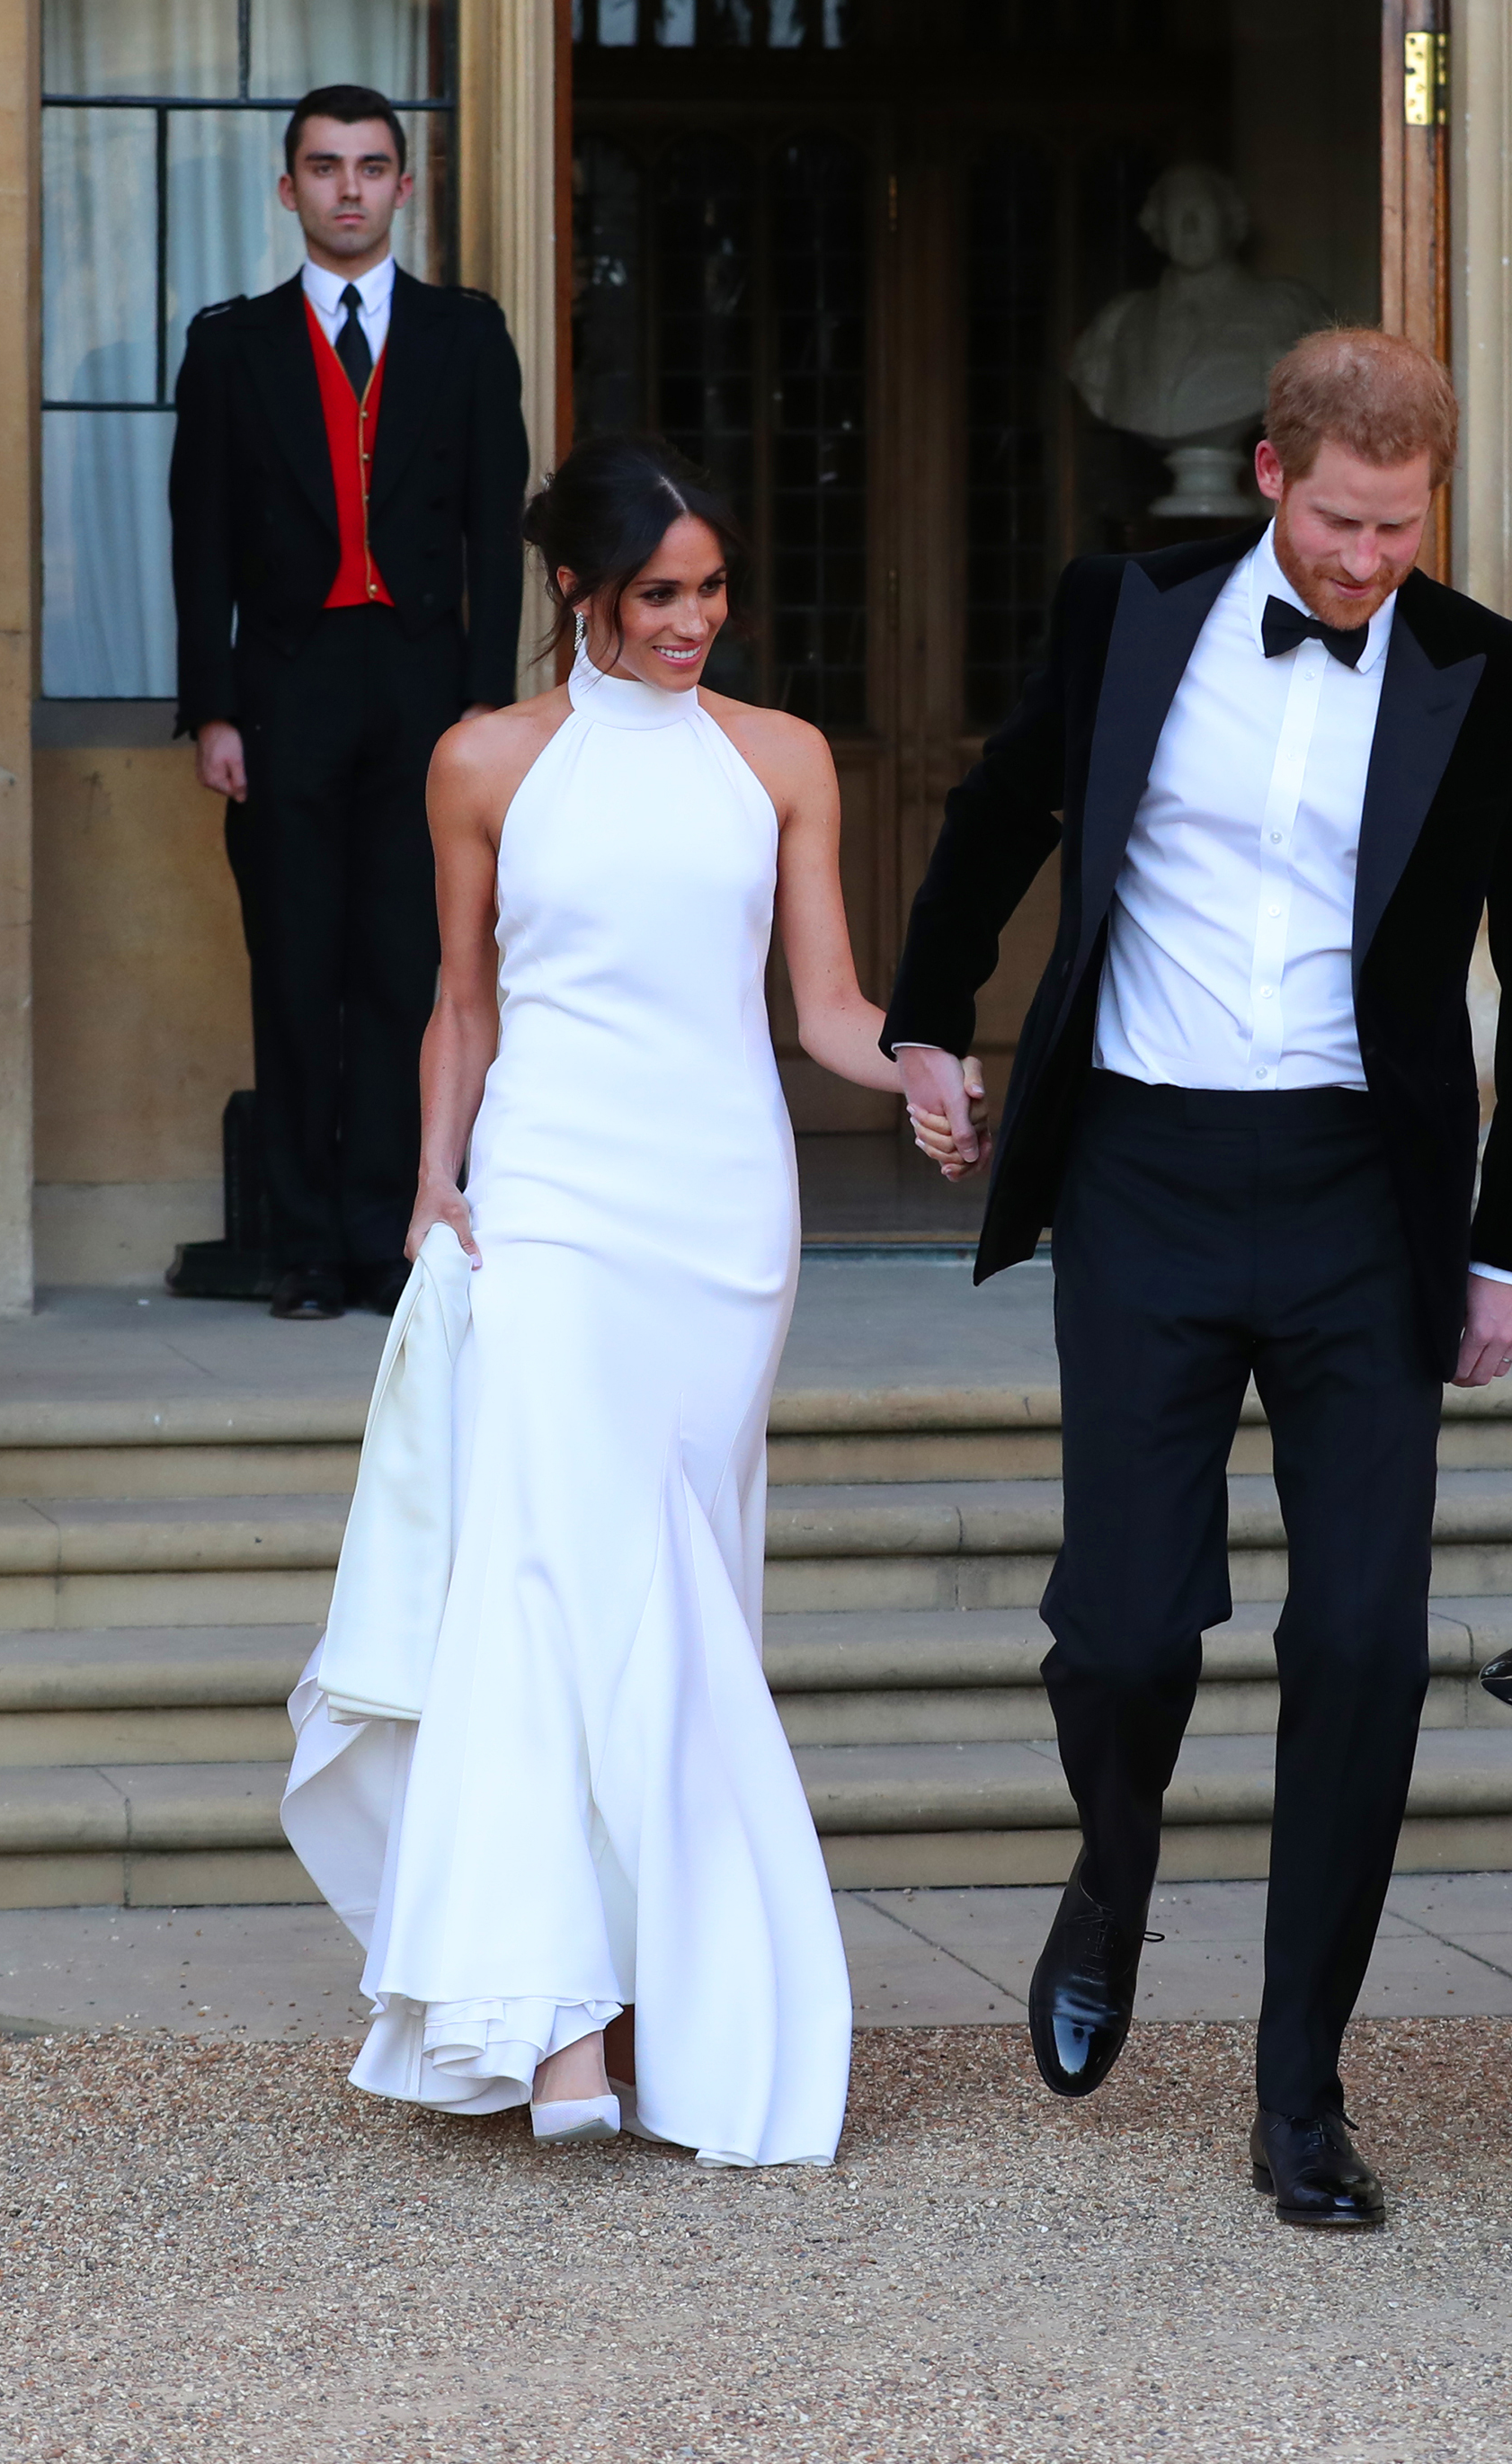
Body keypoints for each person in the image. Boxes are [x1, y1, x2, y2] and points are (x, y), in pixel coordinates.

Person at [894, 328, 1512, 2228]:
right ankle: (1109, 1878)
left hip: (1365, 1203)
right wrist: (922, 1024)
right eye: (1347, 518)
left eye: (1405, 522)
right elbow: (1001, 806)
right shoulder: (1126, 609)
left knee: (1361, 1647)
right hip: (1140, 1168)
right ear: (1273, 474)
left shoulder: (1499, 681)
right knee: (1124, 1631)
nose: (1374, 558)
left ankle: (1301, 2095)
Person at [283, 435, 983, 2164]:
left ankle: (651, 1971)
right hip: (553, 1198)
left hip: (722, 1212)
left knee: (684, 1584)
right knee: (545, 1575)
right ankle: (563, 2022)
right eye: (661, 593)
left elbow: (818, 1002)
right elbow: (465, 1000)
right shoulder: (486, 761)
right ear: (580, 595)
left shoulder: (785, 758)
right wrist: (439, 1179)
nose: (696, 620)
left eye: (714, 588)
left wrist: (911, 1065)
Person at [169, 84, 529, 1322]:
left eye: (372, 167)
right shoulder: (232, 344)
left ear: (403, 186)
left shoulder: (466, 337)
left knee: (407, 966)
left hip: (426, 688)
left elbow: (497, 529)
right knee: (293, 966)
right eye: (325, 168)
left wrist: (489, 707)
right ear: (289, 190)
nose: (349, 188)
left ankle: (391, 1229)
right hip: (284, 685)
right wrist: (211, 708)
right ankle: (305, 1246)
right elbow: (198, 541)